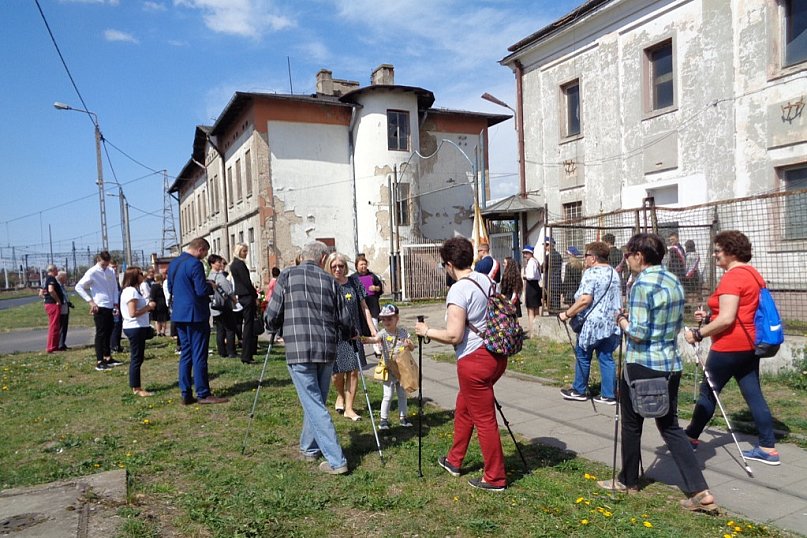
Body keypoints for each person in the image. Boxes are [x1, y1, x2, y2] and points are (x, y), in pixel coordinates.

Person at [601, 232, 717, 513]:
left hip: (642, 363)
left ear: (639, 256)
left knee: (631, 423)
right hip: (670, 364)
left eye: (628, 255)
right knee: (670, 427)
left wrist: (622, 320)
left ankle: (628, 480)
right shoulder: (673, 281)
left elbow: (639, 333)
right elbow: (675, 323)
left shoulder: (641, 284)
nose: (627, 260)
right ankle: (700, 490)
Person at [415, 236, 508, 492]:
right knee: (464, 407)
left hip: (474, 360)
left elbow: (454, 335)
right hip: (496, 354)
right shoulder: (487, 280)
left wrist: (426, 331)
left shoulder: (458, 289)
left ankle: (495, 478)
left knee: (484, 420)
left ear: (448, 264)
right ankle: (454, 460)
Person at [684, 230, 780, 465]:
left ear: (730, 251)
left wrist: (698, 333)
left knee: (709, 392)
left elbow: (727, 319)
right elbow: (739, 313)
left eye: (718, 250)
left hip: (728, 346)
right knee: (753, 394)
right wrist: (709, 317)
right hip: (750, 344)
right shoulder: (753, 274)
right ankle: (768, 448)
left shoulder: (732, 278)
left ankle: (690, 438)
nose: (714, 254)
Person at [263, 240, 353, 475]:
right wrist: (348, 334)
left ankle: (337, 461)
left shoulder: (287, 275)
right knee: (316, 401)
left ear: (303, 256)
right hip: (326, 349)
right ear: (323, 259)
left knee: (314, 403)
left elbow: (272, 313)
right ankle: (309, 448)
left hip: (299, 349)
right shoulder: (330, 281)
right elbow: (344, 318)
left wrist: (272, 326)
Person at [558, 242, 621, 403]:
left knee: (583, 355)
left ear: (593, 258)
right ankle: (608, 394)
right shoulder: (614, 272)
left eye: (586, 255)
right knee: (606, 357)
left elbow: (585, 299)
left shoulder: (591, 273)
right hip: (611, 322)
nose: (584, 259)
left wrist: (567, 314)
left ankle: (579, 390)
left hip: (592, 324)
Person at [167, 237, 228, 405]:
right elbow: (201, 290)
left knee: (186, 353)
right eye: (205, 253)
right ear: (200, 249)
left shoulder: (174, 263)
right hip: (195, 314)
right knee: (199, 353)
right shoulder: (195, 264)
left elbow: (171, 287)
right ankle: (203, 393)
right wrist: (211, 286)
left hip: (179, 314)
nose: (204, 257)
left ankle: (185, 392)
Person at [327, 252, 377, 421]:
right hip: (335, 335)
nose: (338, 269)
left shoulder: (354, 282)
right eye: (334, 266)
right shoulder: (327, 285)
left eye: (341, 266)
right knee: (337, 373)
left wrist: (372, 329)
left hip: (354, 334)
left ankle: (349, 408)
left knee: (353, 371)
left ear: (345, 267)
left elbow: (364, 307)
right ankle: (341, 395)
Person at [361, 304, 414, 430]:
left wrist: (409, 344)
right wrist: (363, 339)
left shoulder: (403, 332)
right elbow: (374, 339)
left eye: (390, 318)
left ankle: (403, 417)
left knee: (402, 394)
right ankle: (383, 420)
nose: (386, 322)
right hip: (389, 369)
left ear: (397, 319)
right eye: (383, 319)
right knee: (388, 395)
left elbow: (412, 347)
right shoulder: (383, 333)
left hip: (402, 369)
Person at [75, 251, 123, 371]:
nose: (105, 266)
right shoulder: (92, 272)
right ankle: (99, 360)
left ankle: (108, 357)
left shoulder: (110, 271)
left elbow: (114, 288)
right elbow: (79, 287)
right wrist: (91, 302)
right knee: (101, 333)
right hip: (100, 306)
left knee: (109, 332)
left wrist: (115, 304)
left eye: (107, 264)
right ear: (98, 260)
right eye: (103, 264)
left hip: (110, 305)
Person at [121, 266, 157, 397]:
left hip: (137, 327)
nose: (143, 275)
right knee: (136, 358)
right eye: (141, 274)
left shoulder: (132, 290)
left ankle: (136, 386)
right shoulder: (131, 291)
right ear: (135, 276)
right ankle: (136, 387)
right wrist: (148, 307)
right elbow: (133, 313)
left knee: (138, 357)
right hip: (135, 327)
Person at [231, 243, 258, 364]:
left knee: (247, 325)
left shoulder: (234, 264)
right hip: (246, 296)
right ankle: (246, 355)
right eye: (244, 251)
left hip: (242, 296)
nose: (246, 253)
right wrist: (255, 295)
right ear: (238, 251)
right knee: (248, 326)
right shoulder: (239, 264)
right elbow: (247, 282)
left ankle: (247, 353)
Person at [208, 254, 237, 359]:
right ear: (212, 264)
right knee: (230, 328)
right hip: (224, 305)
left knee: (220, 329)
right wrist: (235, 301)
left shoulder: (209, 277)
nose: (221, 264)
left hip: (215, 306)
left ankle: (221, 351)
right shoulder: (219, 276)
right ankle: (231, 351)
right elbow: (228, 290)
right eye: (218, 262)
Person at [353, 254, 384, 335]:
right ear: (356, 266)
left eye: (365, 264)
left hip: (372, 307)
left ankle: (376, 342)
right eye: (361, 264)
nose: (363, 266)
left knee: (375, 329)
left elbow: (380, 287)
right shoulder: (353, 278)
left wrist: (376, 288)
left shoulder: (372, 276)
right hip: (360, 309)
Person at [42, 264, 64, 354]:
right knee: (54, 325)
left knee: (56, 325)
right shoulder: (51, 278)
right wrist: (58, 300)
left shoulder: (47, 279)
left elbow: (42, 292)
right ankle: (51, 347)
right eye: (56, 270)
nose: (57, 271)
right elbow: (51, 290)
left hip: (50, 303)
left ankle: (55, 346)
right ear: (52, 270)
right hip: (53, 304)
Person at [522, 244, 542, 334]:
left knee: (530, 310)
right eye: (524, 253)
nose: (525, 255)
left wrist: (525, 276)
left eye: (527, 253)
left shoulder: (531, 262)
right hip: (536, 286)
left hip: (531, 286)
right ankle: (537, 331)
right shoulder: (536, 261)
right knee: (536, 309)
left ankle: (532, 331)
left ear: (531, 253)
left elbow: (531, 276)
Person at [109, 260, 124, 354]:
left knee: (119, 325)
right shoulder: (109, 279)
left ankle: (117, 344)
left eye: (115, 267)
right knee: (115, 325)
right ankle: (113, 345)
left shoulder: (116, 278)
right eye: (112, 267)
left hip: (118, 304)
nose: (114, 269)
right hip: (113, 305)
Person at [543, 238, 563, 311]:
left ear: (550, 245)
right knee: (556, 302)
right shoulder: (558, 255)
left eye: (546, 245)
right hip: (557, 281)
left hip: (550, 282)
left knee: (551, 303)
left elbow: (543, 268)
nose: (545, 247)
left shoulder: (548, 256)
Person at [56, 270, 72, 351]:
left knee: (64, 326)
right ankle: (60, 344)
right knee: (62, 325)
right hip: (62, 307)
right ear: (61, 277)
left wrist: (69, 302)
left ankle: (62, 343)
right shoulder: (58, 285)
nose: (66, 279)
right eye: (65, 277)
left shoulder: (62, 285)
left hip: (65, 306)